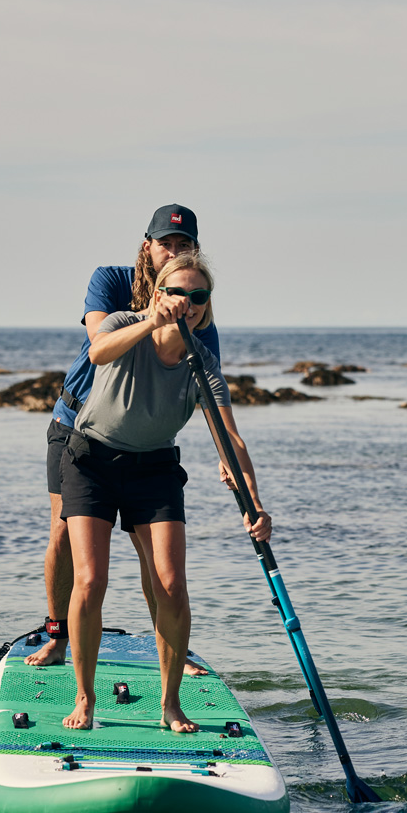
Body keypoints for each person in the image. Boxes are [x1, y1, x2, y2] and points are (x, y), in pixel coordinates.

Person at [58, 251, 272, 732]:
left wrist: (255, 504)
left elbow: (229, 436)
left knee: (171, 584)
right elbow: (98, 352)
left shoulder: (202, 361)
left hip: (154, 468)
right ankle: (85, 697)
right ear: (158, 293)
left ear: (206, 305)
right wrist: (150, 320)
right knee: (91, 581)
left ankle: (170, 703)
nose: (188, 302)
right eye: (178, 292)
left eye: (199, 296)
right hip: (90, 459)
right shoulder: (122, 322)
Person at [25, 204, 221, 672]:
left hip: (138, 445)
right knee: (63, 535)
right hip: (77, 426)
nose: (173, 251)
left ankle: (173, 651)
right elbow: (99, 344)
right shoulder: (111, 281)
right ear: (147, 246)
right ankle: (57, 635)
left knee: (153, 555)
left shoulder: (197, 304)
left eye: (183, 245)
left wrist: (226, 455)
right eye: (165, 243)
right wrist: (153, 317)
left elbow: (203, 386)